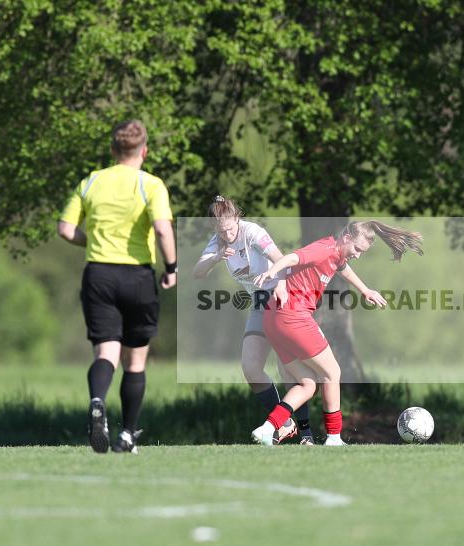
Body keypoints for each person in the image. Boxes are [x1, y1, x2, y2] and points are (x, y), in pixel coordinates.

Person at [57, 119, 177, 455]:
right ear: (144, 151)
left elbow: (65, 229)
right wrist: (171, 267)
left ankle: (98, 401)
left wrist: (94, 241)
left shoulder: (92, 181)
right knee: (135, 361)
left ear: (113, 150)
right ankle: (127, 436)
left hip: (98, 274)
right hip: (137, 276)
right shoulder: (150, 184)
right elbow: (163, 229)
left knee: (106, 353)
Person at [250, 220, 424, 446]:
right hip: (293, 316)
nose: (357, 255)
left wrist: (365, 290)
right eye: (357, 249)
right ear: (347, 237)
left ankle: (267, 429)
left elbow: (341, 267)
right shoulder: (324, 249)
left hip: (273, 319)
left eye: (362, 252)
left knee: (307, 384)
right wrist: (272, 271)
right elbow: (292, 257)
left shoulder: (336, 254)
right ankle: (333, 437)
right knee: (332, 373)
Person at [192, 196, 314, 444]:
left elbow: (283, 260)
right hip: (259, 303)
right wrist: (216, 257)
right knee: (251, 369)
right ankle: (285, 423)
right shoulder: (217, 241)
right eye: (221, 230)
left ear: (237, 218)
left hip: (281, 298)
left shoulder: (252, 232)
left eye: (230, 228)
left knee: (288, 370)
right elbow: (198, 272)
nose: (227, 234)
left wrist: (281, 285)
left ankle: (307, 435)